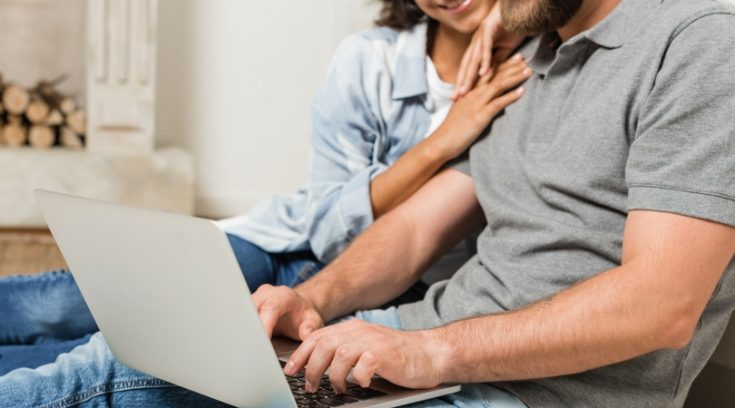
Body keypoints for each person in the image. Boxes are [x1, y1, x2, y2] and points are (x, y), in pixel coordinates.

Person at [5, 0, 735, 407]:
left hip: (527, 394)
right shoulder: (532, 55)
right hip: (409, 347)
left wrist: (424, 352)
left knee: (122, 383)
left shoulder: (699, 44)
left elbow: (661, 305)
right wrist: (315, 301)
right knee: (116, 358)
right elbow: (420, 226)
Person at [0, 0, 527, 375]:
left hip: (379, 291)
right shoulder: (370, 59)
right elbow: (326, 223)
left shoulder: (540, 68)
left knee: (129, 357)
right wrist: (443, 141)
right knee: (71, 302)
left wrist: (515, 13)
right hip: (283, 242)